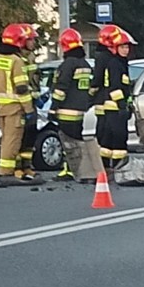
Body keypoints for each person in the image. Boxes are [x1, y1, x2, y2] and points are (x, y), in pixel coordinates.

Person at [0, 24, 44, 187]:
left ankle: (15, 170)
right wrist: (29, 110)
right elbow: (21, 89)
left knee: (7, 138)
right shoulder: (16, 61)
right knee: (12, 141)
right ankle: (6, 174)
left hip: (1, 107)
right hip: (15, 108)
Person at [50, 28, 102, 183]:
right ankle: (82, 170)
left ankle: (69, 170)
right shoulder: (85, 63)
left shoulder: (68, 64)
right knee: (78, 141)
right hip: (80, 111)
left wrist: (53, 107)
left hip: (66, 110)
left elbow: (61, 88)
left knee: (68, 143)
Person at [89, 24, 137, 174]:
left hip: (112, 107)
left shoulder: (118, 62)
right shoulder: (115, 64)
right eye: (123, 47)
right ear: (115, 48)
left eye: (127, 47)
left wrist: (128, 104)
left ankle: (107, 166)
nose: (126, 50)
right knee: (118, 138)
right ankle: (117, 166)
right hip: (114, 107)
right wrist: (122, 105)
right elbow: (115, 87)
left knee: (109, 138)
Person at [16, 23, 42, 180]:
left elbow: (34, 81)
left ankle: (27, 166)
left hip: (32, 102)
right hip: (20, 104)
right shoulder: (16, 59)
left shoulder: (31, 57)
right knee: (19, 137)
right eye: (30, 39)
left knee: (30, 137)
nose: (33, 42)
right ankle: (17, 167)